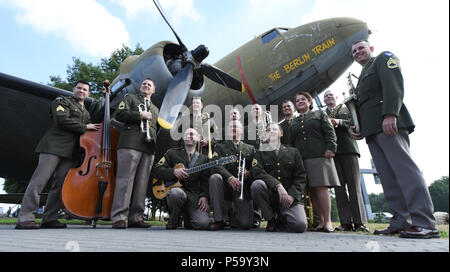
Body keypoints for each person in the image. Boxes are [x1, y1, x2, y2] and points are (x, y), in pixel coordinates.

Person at [349, 40, 439, 238]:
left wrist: (390, 114)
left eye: (361, 48)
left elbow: (393, 85)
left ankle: (425, 223)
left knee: (405, 172)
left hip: (389, 125)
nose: (357, 52)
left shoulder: (383, 58)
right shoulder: (362, 75)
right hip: (373, 131)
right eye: (354, 51)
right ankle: (400, 221)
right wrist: (360, 128)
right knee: (388, 178)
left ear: (371, 48)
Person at [16, 80, 102, 229]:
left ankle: (49, 219)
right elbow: (61, 120)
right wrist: (84, 126)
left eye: (85, 90)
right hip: (53, 146)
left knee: (59, 186)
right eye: (79, 88)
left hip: (70, 152)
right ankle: (25, 218)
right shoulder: (62, 100)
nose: (81, 91)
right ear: (74, 89)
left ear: (88, 93)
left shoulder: (86, 112)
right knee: (39, 182)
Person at [110, 78, 159, 229]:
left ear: (153, 91)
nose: (146, 85)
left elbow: (155, 127)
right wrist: (140, 116)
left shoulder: (156, 109)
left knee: (142, 183)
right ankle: (119, 217)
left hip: (148, 147)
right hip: (130, 143)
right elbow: (120, 115)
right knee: (125, 180)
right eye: (144, 83)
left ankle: (136, 217)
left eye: (149, 85)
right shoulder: (130, 98)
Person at [289, 91, 340, 232]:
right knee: (311, 190)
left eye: (303, 99)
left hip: (319, 155)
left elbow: (330, 132)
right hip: (302, 159)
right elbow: (291, 142)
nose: (300, 101)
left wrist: (331, 147)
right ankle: (321, 221)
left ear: (309, 102)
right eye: (297, 100)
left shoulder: (320, 114)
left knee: (321, 188)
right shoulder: (294, 121)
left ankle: (328, 221)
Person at [323, 90, 369, 232]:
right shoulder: (322, 114)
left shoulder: (345, 108)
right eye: (326, 96)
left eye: (331, 95)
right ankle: (345, 222)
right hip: (332, 153)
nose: (329, 97)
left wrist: (340, 121)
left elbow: (355, 121)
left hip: (349, 149)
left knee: (354, 187)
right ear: (324, 100)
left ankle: (359, 222)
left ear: (336, 97)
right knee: (339, 188)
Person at [251, 122, 308, 232]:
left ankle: (281, 218)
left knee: (299, 226)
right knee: (256, 185)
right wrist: (277, 185)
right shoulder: (260, 152)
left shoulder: (293, 152)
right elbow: (257, 172)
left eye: (274, 129)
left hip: (289, 197)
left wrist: (292, 195)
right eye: (268, 130)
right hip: (271, 195)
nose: (271, 131)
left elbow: (301, 177)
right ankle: (271, 218)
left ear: (281, 133)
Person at [153, 128, 210, 230]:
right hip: (177, 192)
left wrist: (204, 196)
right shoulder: (172, 153)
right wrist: (173, 172)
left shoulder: (204, 159)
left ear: (198, 138)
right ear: (183, 138)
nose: (189, 136)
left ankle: (188, 217)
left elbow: (205, 181)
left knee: (203, 223)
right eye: (187, 134)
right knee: (176, 193)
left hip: (193, 196)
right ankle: (173, 219)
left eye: (192, 134)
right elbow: (157, 170)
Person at [208, 120, 255, 230]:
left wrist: (248, 173)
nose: (233, 128)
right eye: (231, 127)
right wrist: (229, 177)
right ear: (228, 132)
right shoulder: (220, 147)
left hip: (242, 189)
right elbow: (216, 165)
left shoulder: (250, 148)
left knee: (245, 224)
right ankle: (219, 220)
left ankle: (232, 216)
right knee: (215, 177)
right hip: (225, 187)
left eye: (236, 127)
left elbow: (256, 168)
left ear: (242, 130)